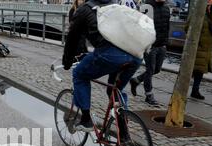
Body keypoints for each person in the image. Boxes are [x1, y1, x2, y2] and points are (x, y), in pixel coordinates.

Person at [62, 0, 142, 132]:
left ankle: (86, 120)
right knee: (114, 90)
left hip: (111, 54)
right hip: (135, 54)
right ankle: (124, 135)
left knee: (79, 74)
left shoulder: (84, 10)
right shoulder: (116, 4)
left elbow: (72, 39)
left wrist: (67, 61)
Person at [129, 0, 170, 106]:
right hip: (150, 45)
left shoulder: (166, 8)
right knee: (150, 69)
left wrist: (165, 43)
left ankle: (136, 80)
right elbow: (140, 27)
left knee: (156, 69)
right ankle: (149, 95)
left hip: (161, 44)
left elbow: (167, 26)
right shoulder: (146, 7)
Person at [188, 0, 212, 100]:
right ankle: (186, 90)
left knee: (200, 70)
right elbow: (187, 27)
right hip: (198, 46)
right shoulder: (198, 11)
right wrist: (197, 41)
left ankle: (195, 90)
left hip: (207, 47)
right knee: (194, 69)